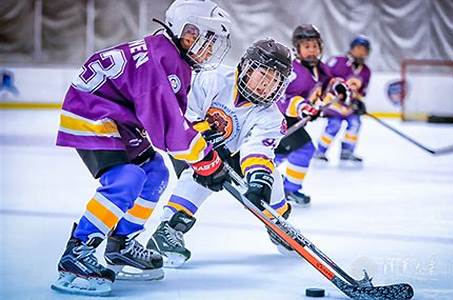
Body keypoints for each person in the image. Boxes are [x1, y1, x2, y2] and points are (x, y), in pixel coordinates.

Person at [51, 0, 231, 296]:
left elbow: (168, 117)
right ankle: (77, 252)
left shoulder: (171, 56)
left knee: (156, 172)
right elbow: (167, 133)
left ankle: (121, 243)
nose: (209, 50)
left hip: (114, 115)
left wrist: (197, 145)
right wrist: (206, 160)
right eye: (206, 40)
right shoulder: (164, 62)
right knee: (127, 179)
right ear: (187, 32)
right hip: (93, 113)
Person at [146, 38, 294, 267]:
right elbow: (184, 110)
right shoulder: (213, 79)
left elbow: (257, 150)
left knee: (269, 176)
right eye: (264, 75)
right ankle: (168, 227)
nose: (267, 84)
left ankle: (277, 222)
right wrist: (205, 137)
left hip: (230, 154)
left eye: (275, 81)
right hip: (188, 145)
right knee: (201, 171)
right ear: (247, 66)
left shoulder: (271, 116)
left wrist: (257, 180)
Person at [274, 24, 331, 207]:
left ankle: (255, 176)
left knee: (278, 154)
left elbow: (330, 82)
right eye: (307, 47)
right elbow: (279, 97)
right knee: (304, 149)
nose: (312, 50)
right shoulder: (292, 70)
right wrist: (302, 108)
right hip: (278, 121)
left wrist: (339, 87)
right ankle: (289, 188)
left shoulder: (319, 68)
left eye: (315, 46)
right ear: (297, 48)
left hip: (292, 122)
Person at [314, 35, 371, 165]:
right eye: (358, 48)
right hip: (334, 102)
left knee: (355, 123)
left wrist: (358, 101)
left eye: (364, 50)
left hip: (350, 106)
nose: (361, 52)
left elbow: (362, 92)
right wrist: (329, 93)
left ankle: (347, 152)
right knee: (334, 124)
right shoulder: (337, 61)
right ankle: (320, 151)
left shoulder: (366, 71)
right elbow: (323, 78)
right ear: (351, 49)